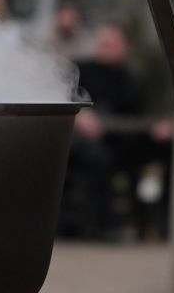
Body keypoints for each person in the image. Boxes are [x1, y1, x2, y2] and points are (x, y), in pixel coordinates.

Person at [66, 25, 158, 240]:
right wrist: (79, 115)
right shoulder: (80, 70)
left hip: (119, 141)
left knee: (152, 154)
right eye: (103, 43)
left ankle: (148, 222)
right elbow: (63, 98)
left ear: (124, 47)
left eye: (112, 44)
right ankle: (102, 226)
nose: (105, 48)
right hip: (79, 142)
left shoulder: (131, 80)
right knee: (98, 159)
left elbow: (137, 118)